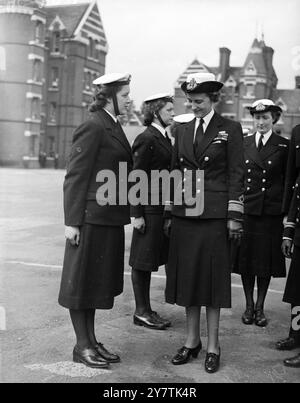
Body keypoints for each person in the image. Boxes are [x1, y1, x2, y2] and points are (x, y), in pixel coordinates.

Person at [164, 72, 244, 373]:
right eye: (190, 101)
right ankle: (191, 341)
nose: (193, 106)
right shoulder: (182, 129)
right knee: (188, 279)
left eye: (199, 101)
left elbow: (237, 173)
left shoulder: (230, 129)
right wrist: (170, 212)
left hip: (214, 216)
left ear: (213, 100)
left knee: (211, 281)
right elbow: (174, 171)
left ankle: (213, 345)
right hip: (186, 214)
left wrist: (234, 215)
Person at [58, 72, 133, 369]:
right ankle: (82, 345)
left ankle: (90, 340)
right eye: (125, 95)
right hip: (90, 219)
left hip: (108, 218)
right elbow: (75, 176)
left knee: (93, 284)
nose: (129, 100)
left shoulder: (112, 125)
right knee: (81, 285)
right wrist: (72, 221)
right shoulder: (93, 126)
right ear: (110, 96)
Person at [232, 100, 289, 327]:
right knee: (246, 262)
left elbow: (287, 183)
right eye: (257, 118)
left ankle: (260, 307)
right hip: (248, 212)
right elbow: (236, 178)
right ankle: (248, 305)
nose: (261, 122)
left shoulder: (284, 146)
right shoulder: (243, 143)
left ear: (273, 119)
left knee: (264, 263)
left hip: (270, 214)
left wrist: (285, 215)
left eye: (265, 118)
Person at [129, 93, 174, 330]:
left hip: (159, 209)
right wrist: (136, 214)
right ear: (156, 112)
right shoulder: (147, 138)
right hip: (147, 209)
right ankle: (141, 311)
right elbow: (136, 177)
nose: (173, 114)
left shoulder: (164, 137)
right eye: (169, 110)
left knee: (148, 260)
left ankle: (146, 309)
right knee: (142, 261)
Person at [276, 124, 300, 368]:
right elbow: (295, 184)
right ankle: (296, 335)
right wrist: (289, 229)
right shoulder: (298, 132)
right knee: (297, 291)